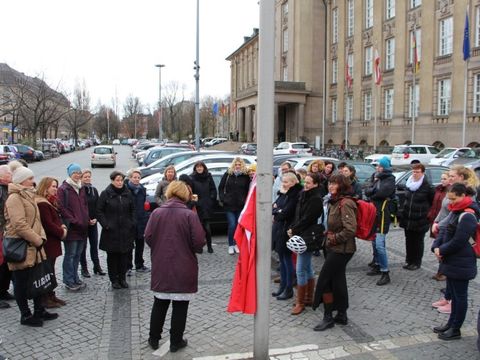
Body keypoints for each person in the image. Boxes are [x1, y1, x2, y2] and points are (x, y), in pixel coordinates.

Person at [145, 180, 205, 352]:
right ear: (185, 194)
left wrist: (159, 248)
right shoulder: (189, 215)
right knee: (180, 305)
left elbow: (148, 236)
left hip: (161, 263)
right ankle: (175, 341)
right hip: (184, 264)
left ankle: (153, 338)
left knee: (160, 302)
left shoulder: (157, 213)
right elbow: (199, 241)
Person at [5, 164, 58, 327]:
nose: (33, 181)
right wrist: (37, 239)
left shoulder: (28, 195)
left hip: (35, 246)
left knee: (38, 279)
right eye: (30, 178)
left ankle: (39, 310)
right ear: (22, 180)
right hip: (22, 246)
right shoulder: (14, 198)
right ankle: (26, 315)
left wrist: (40, 237)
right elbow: (19, 224)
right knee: (21, 282)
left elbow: (36, 220)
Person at [432, 183, 479, 340]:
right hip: (452, 260)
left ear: (462, 196)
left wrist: (442, 250)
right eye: (449, 199)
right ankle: (450, 324)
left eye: (453, 199)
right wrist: (436, 247)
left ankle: (456, 328)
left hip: (462, 261)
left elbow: (459, 240)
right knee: (453, 296)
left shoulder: (468, 215)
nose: (450, 203)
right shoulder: (455, 211)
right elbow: (444, 230)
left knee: (460, 297)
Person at [312, 174, 357, 331]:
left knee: (325, 280)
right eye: (330, 183)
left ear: (342, 186)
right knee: (338, 280)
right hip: (334, 248)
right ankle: (342, 314)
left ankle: (328, 316)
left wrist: (333, 239)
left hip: (342, 250)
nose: (330, 186)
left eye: (334, 184)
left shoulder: (345, 203)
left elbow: (350, 229)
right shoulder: (334, 201)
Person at [287, 172, 325, 315]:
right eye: (305, 182)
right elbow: (298, 216)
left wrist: (294, 229)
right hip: (301, 234)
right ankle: (309, 298)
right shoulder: (304, 194)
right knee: (307, 268)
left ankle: (301, 302)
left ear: (316, 184)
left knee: (300, 269)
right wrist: (293, 228)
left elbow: (308, 219)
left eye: (309, 183)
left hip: (308, 236)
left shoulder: (316, 199)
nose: (305, 185)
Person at [97, 171, 136, 289]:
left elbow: (133, 209)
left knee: (124, 256)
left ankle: (122, 278)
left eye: (121, 180)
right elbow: (99, 211)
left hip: (125, 231)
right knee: (113, 257)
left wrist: (132, 223)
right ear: (112, 181)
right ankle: (114, 279)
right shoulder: (105, 194)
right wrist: (106, 224)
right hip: (111, 231)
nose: (119, 182)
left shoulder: (128, 193)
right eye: (117, 180)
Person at [35, 177, 68, 308]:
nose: (55, 189)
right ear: (45, 188)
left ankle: (51, 295)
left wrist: (62, 226)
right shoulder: (42, 203)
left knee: (51, 270)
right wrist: (62, 232)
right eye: (53, 186)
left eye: (56, 186)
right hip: (48, 243)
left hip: (53, 242)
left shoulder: (50, 202)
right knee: (46, 271)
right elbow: (48, 224)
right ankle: (46, 297)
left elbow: (56, 219)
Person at [363, 156, 396, 286]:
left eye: (380, 166)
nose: (377, 168)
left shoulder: (389, 179)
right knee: (374, 241)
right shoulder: (376, 177)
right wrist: (372, 191)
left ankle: (385, 272)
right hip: (374, 213)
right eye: (377, 166)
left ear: (384, 167)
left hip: (382, 215)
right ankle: (377, 264)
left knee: (380, 245)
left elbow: (381, 193)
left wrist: (372, 192)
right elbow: (367, 189)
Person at [57, 163, 89, 291]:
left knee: (77, 255)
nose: (77, 174)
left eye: (78, 172)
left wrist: (86, 218)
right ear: (70, 174)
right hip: (72, 227)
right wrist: (74, 220)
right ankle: (68, 280)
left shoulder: (81, 188)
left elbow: (85, 205)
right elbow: (62, 208)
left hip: (82, 227)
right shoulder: (64, 189)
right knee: (70, 255)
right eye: (74, 172)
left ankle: (75, 277)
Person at [272, 172, 303, 301]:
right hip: (280, 229)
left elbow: (285, 213)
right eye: (283, 181)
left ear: (293, 182)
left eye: (286, 182)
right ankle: (283, 286)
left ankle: (288, 288)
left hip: (286, 230)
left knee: (287, 260)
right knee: (282, 259)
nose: (283, 184)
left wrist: (278, 210)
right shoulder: (284, 193)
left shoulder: (294, 195)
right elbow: (275, 207)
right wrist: (277, 210)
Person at [399, 163, 434, 270]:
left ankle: (416, 262)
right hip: (408, 218)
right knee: (408, 240)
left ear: (422, 173)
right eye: (413, 171)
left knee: (418, 242)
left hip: (420, 219)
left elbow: (432, 203)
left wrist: (426, 216)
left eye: (417, 172)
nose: (415, 174)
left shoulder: (427, 187)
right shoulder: (409, 184)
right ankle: (409, 260)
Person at [218, 157, 250, 255]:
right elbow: (221, 187)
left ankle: (236, 244)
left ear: (242, 165)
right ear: (233, 165)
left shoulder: (245, 176)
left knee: (238, 226)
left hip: (240, 205)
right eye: (236, 164)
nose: (237, 166)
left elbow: (248, 189)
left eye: (239, 165)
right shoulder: (228, 174)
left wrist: (245, 200)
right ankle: (230, 245)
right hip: (229, 205)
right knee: (232, 225)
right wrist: (223, 198)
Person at [79, 169, 105, 277]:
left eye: (89, 176)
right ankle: (84, 268)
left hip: (93, 222)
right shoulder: (79, 190)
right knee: (83, 247)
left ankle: (97, 266)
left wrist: (96, 219)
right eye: (85, 177)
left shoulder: (94, 190)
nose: (87, 178)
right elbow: (80, 207)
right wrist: (86, 219)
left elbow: (98, 206)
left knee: (94, 245)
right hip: (83, 223)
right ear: (81, 178)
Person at [126, 169, 150, 273]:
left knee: (140, 244)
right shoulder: (126, 190)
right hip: (130, 221)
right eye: (134, 177)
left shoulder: (142, 190)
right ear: (130, 178)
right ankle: (128, 266)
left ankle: (139, 264)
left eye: (138, 177)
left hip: (141, 220)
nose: (136, 179)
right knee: (129, 246)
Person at [190, 161, 217, 253]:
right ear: (195, 169)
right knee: (197, 229)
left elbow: (213, 189)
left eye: (201, 167)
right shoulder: (192, 178)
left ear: (204, 168)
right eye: (197, 167)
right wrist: (194, 201)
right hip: (197, 206)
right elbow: (191, 191)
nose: (199, 168)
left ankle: (209, 246)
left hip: (206, 205)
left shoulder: (208, 176)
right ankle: (199, 247)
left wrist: (211, 198)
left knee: (207, 228)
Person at [427, 171, 449, 281]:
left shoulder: (450, 192)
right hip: (436, 221)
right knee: (438, 248)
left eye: (445, 178)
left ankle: (443, 272)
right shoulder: (438, 189)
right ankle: (441, 271)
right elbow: (434, 204)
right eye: (441, 178)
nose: (442, 181)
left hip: (444, 224)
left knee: (442, 248)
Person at [0, 165, 14, 309]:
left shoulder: (8, 188)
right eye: (9, 173)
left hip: (7, 231)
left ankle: (3, 290)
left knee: (6, 264)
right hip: (2, 231)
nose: (11, 175)